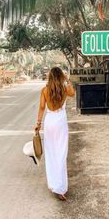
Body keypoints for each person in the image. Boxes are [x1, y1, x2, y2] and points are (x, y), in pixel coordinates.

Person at [35, 67, 75, 201]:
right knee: (61, 153)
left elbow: (41, 108)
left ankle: (53, 184)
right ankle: (61, 188)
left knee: (51, 153)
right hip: (60, 122)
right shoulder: (64, 89)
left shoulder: (45, 90)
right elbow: (73, 93)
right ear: (61, 77)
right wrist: (67, 79)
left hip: (49, 121)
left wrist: (38, 124)